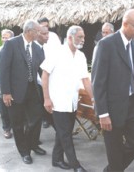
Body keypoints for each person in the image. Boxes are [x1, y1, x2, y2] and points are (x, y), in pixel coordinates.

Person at [91, 9, 134, 172]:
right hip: (111, 107)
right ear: (125, 24)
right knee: (114, 149)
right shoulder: (106, 44)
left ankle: (111, 170)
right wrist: (102, 113)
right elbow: (98, 82)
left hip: (132, 104)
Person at [41, 25, 93, 172]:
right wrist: (46, 99)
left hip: (72, 101)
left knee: (64, 132)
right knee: (65, 135)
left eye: (83, 37)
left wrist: (94, 99)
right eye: (80, 37)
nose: (83, 40)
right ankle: (75, 165)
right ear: (70, 37)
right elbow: (44, 75)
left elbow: (85, 80)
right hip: (57, 102)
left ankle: (56, 159)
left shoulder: (81, 56)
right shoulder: (56, 52)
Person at [0, 20, 46, 164]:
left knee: (36, 119)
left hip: (33, 90)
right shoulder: (11, 44)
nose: (40, 34)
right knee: (18, 124)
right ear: (29, 31)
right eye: (38, 31)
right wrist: (5, 92)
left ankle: (32, 144)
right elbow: (4, 69)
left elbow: (44, 70)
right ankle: (24, 151)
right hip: (14, 92)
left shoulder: (37, 48)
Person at [38, 17, 62, 128]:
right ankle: (45, 119)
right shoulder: (36, 37)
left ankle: (55, 120)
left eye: (47, 25)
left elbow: (59, 51)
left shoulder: (53, 36)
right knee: (42, 96)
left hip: (53, 69)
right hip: (40, 69)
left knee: (53, 96)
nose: (45, 28)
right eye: (43, 25)